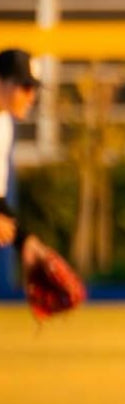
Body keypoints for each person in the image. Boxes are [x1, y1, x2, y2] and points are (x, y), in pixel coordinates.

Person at [0, 48, 48, 269]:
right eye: (26, 87)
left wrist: (25, 240)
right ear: (3, 81)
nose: (31, 97)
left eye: (35, 89)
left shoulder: (4, 125)